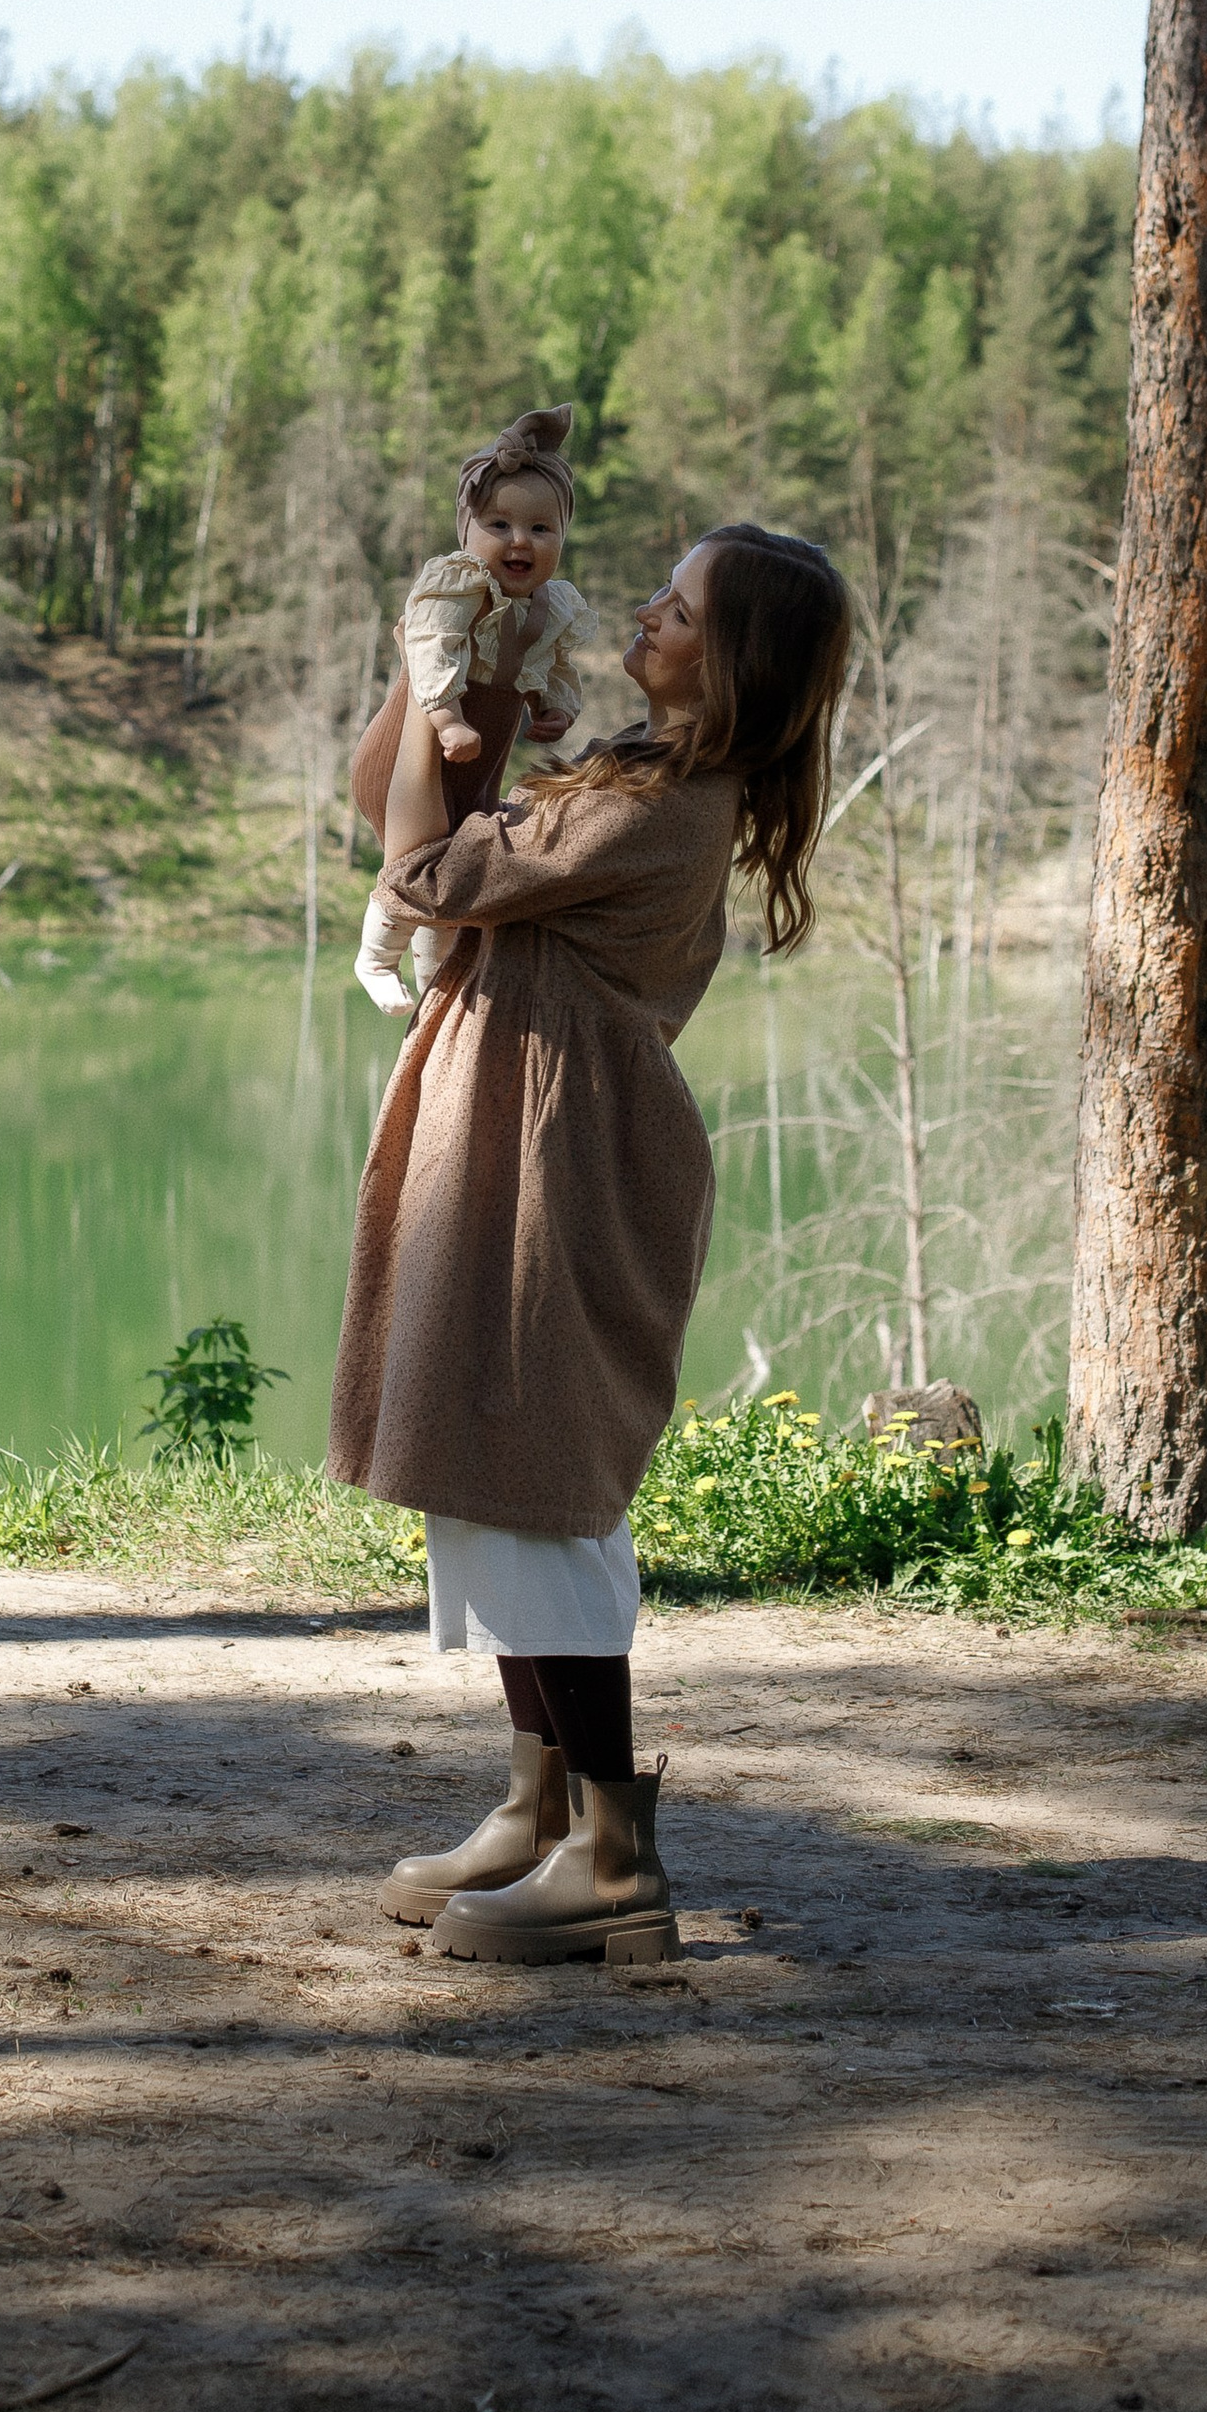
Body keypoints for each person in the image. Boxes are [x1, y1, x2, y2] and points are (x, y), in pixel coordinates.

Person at [328, 521, 851, 1965]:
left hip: (561, 1162)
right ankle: (536, 1808)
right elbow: (392, 798)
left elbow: (422, 877)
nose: (643, 615)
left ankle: (615, 1858)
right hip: (511, 1129)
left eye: (677, 611)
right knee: (494, 1465)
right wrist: (427, 677)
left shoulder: (653, 811)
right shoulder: (628, 770)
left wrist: (448, 697)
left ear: (730, 663)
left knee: (539, 1477)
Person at [350, 407, 596, 1016]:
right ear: (467, 531)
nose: (520, 541)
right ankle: (376, 958)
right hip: (414, 746)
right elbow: (428, 649)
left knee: (456, 863)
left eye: (542, 529)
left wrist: (554, 708)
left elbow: (555, 667)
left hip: (476, 764)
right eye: (499, 523)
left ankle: (438, 975)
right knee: (416, 855)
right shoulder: (458, 585)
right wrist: (445, 719)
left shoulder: (550, 606)